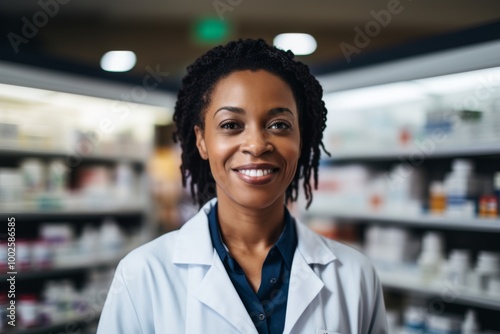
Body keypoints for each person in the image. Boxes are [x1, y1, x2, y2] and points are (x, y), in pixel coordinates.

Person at [97, 39, 388, 334]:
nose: (257, 145)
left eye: (278, 125)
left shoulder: (355, 276)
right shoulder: (142, 275)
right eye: (231, 125)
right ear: (201, 140)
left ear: (301, 138)